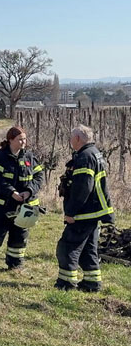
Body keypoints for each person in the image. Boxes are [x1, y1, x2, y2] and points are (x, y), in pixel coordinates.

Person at [55, 124, 113, 292]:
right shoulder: (95, 153)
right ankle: (92, 283)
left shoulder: (85, 157)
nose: (70, 140)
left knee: (67, 247)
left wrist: (71, 212)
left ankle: (66, 283)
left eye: (72, 137)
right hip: (94, 212)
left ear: (78, 138)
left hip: (84, 213)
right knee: (89, 249)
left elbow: (82, 188)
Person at [0, 127, 44, 269]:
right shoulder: (0, 156)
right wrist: (11, 192)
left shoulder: (29, 156)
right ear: (10, 140)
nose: (23, 142)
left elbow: (39, 177)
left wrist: (29, 191)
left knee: (20, 235)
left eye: (24, 139)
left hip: (24, 206)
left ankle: (15, 263)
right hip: (1, 205)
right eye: (20, 139)